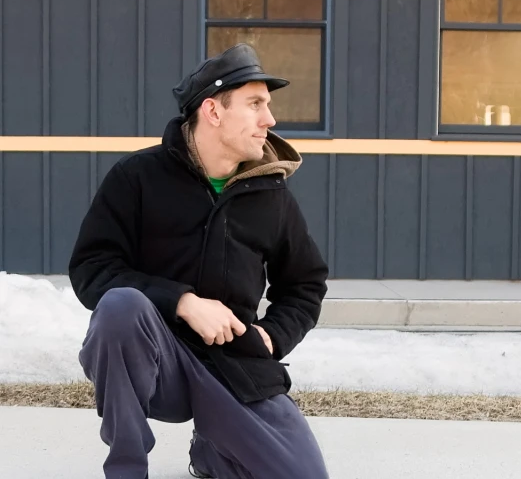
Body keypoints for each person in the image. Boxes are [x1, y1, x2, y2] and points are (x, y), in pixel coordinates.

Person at [68, 43, 330, 479]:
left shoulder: (272, 195)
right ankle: (127, 469)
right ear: (213, 111)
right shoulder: (137, 178)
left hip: (236, 367)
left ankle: (212, 450)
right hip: (156, 362)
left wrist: (272, 335)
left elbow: (306, 283)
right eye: (255, 104)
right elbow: (92, 267)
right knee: (120, 307)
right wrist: (183, 302)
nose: (270, 119)